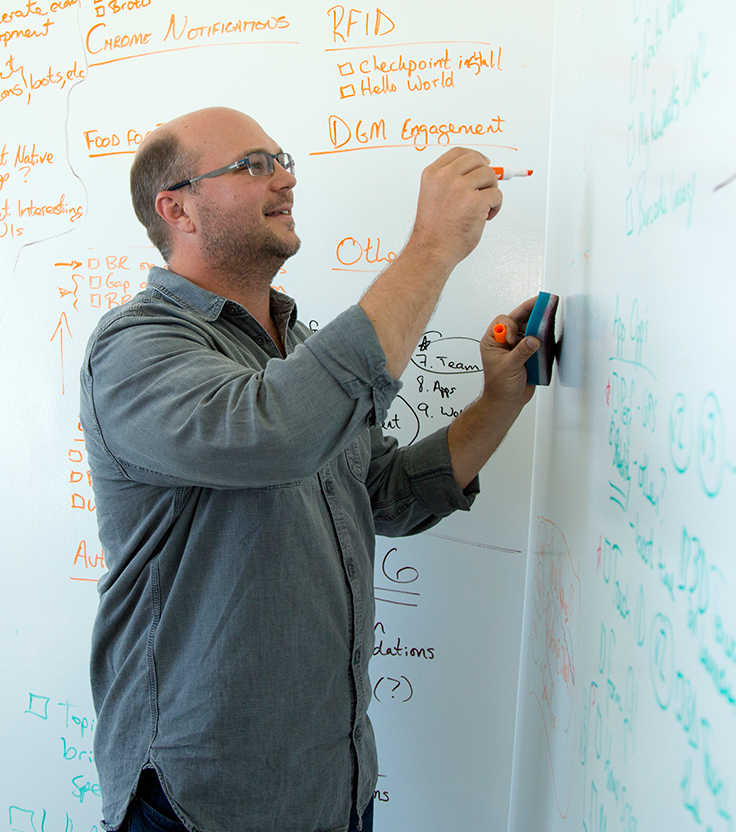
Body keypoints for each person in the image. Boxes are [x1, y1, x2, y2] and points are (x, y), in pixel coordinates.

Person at [79, 107, 540, 832]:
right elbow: (273, 434)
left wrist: (498, 402)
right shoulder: (134, 347)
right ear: (178, 209)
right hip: (203, 800)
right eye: (253, 165)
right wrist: (431, 247)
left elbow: (383, 494)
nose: (285, 178)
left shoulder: (299, 345)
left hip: (337, 784)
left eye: (282, 159)